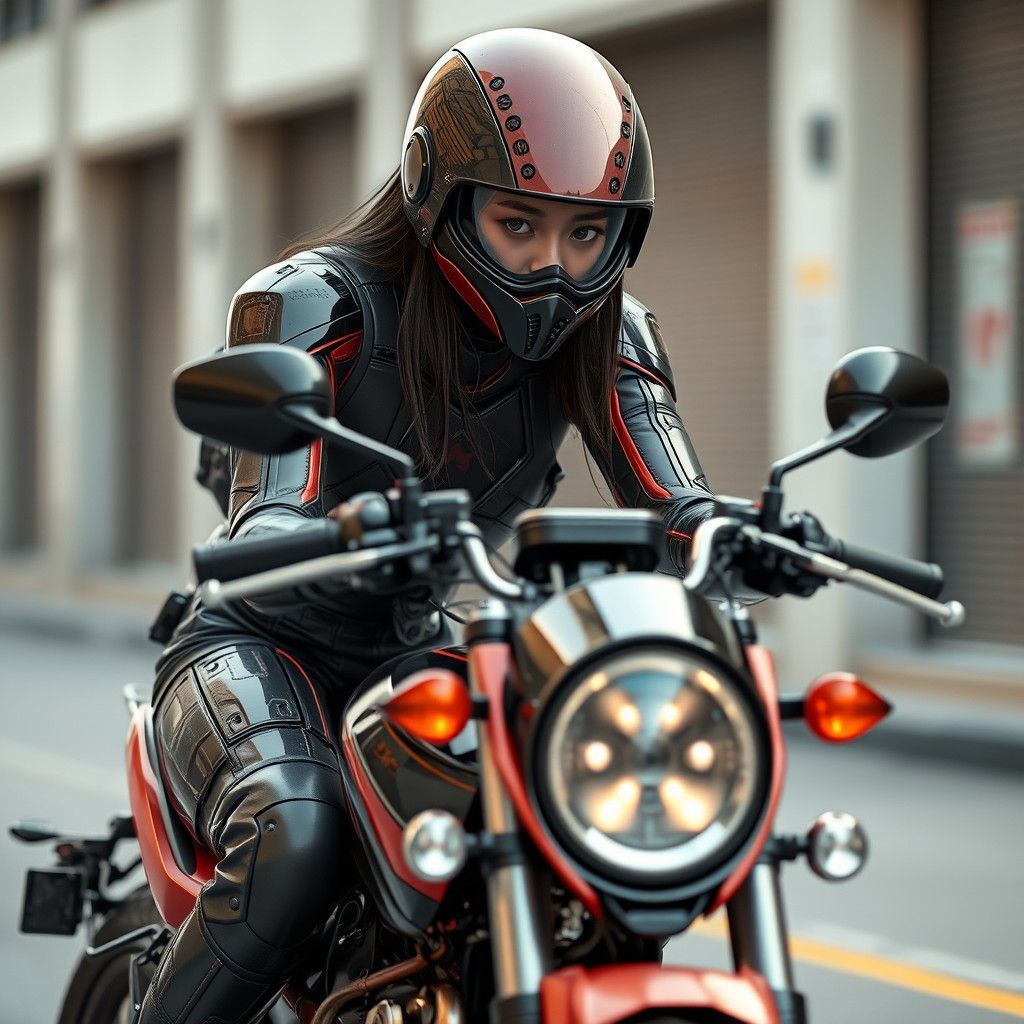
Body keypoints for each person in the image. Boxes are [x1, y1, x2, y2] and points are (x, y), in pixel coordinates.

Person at [141, 27, 716, 1024]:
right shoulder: (319, 299)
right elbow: (269, 495)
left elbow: (676, 502)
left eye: (587, 234)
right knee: (296, 835)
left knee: (573, 839)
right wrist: (314, 519)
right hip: (256, 639)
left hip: (413, 651)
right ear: (439, 197)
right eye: (518, 224)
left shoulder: (609, 333)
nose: (554, 265)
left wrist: (738, 530)